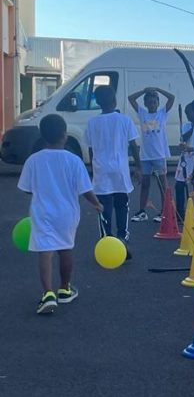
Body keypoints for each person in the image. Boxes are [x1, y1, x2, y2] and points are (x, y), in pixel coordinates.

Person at [18, 114, 103, 314]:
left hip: (42, 212)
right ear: (64, 135)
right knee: (65, 249)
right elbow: (85, 190)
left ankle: (47, 293)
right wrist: (96, 204)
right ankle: (65, 288)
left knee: (45, 252)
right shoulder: (73, 160)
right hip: (67, 214)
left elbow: (26, 188)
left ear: (43, 136)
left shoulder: (34, 160)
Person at [84, 85, 139, 255]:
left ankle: (107, 239)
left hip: (101, 170)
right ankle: (122, 238)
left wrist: (94, 168)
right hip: (120, 170)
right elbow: (133, 146)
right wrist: (138, 166)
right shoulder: (125, 120)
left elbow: (91, 149)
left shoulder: (92, 122)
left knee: (103, 207)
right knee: (122, 205)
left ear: (98, 102)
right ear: (114, 100)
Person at [128, 86, 175, 223]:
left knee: (163, 184)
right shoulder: (142, 113)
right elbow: (131, 99)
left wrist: (158, 89)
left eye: (154, 102)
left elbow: (171, 98)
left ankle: (164, 211)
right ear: (146, 103)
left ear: (158, 103)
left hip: (159, 155)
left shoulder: (162, 114)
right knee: (145, 183)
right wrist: (144, 91)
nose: (152, 104)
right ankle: (142, 211)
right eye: (149, 102)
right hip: (145, 156)